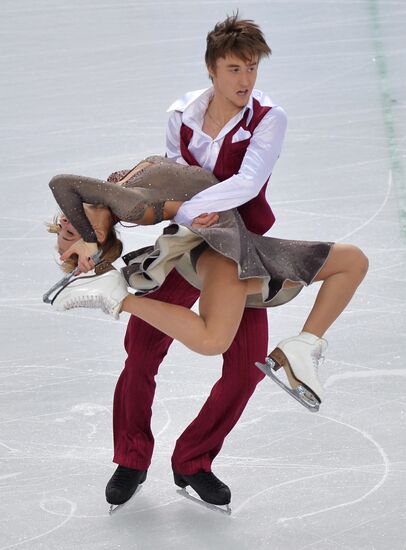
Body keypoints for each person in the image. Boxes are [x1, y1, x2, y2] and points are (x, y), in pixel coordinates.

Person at [46, 14, 368, 510]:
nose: (246, 81)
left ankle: (193, 461)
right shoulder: (182, 113)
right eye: (235, 69)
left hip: (242, 249)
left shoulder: (268, 117)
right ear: (213, 70)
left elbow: (247, 185)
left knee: (243, 370)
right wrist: (164, 209)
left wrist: (181, 207)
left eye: (252, 68)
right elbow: (177, 172)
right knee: (142, 353)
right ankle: (131, 458)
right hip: (186, 246)